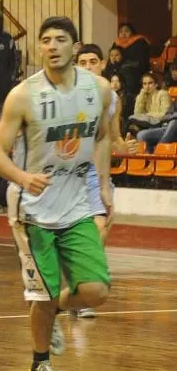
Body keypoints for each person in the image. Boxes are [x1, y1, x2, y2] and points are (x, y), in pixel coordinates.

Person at [0, 17, 113, 371]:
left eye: (61, 39)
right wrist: (22, 177)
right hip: (33, 210)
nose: (52, 46)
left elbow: (103, 137)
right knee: (42, 294)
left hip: (76, 203)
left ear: (76, 47)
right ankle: (39, 367)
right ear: (39, 48)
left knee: (96, 291)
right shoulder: (23, 96)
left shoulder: (99, 89)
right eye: (45, 40)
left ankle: (53, 311)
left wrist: (103, 187)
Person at [70, 44, 140, 319]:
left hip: (95, 171)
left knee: (101, 226)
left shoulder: (112, 99)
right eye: (82, 62)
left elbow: (113, 137)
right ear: (76, 66)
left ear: (102, 65)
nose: (88, 66)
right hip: (67, 170)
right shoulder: (66, 95)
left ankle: (82, 291)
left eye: (92, 61)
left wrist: (125, 148)